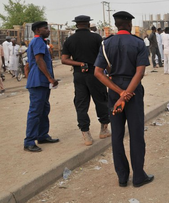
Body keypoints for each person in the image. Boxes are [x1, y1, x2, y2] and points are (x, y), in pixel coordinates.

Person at [94, 11, 154, 188]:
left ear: (116, 25)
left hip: (114, 91)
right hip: (133, 91)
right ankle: (138, 177)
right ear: (129, 25)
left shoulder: (106, 44)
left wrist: (119, 93)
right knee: (136, 135)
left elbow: (98, 72)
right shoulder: (138, 43)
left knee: (117, 135)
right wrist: (127, 93)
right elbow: (140, 72)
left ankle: (122, 176)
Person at [61, 15, 111, 146]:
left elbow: (64, 59)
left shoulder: (70, 40)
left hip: (79, 75)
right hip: (96, 74)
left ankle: (86, 134)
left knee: (81, 103)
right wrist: (110, 73)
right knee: (101, 100)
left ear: (76, 25)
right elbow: (104, 57)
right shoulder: (96, 38)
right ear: (88, 25)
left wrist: (79, 64)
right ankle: (103, 129)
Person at [24, 21, 60, 152]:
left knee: (44, 109)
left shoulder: (39, 42)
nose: (48, 30)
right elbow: (39, 60)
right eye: (46, 28)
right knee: (35, 111)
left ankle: (42, 135)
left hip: (41, 81)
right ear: (38, 30)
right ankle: (29, 141)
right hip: (38, 81)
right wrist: (50, 78)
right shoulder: (38, 41)